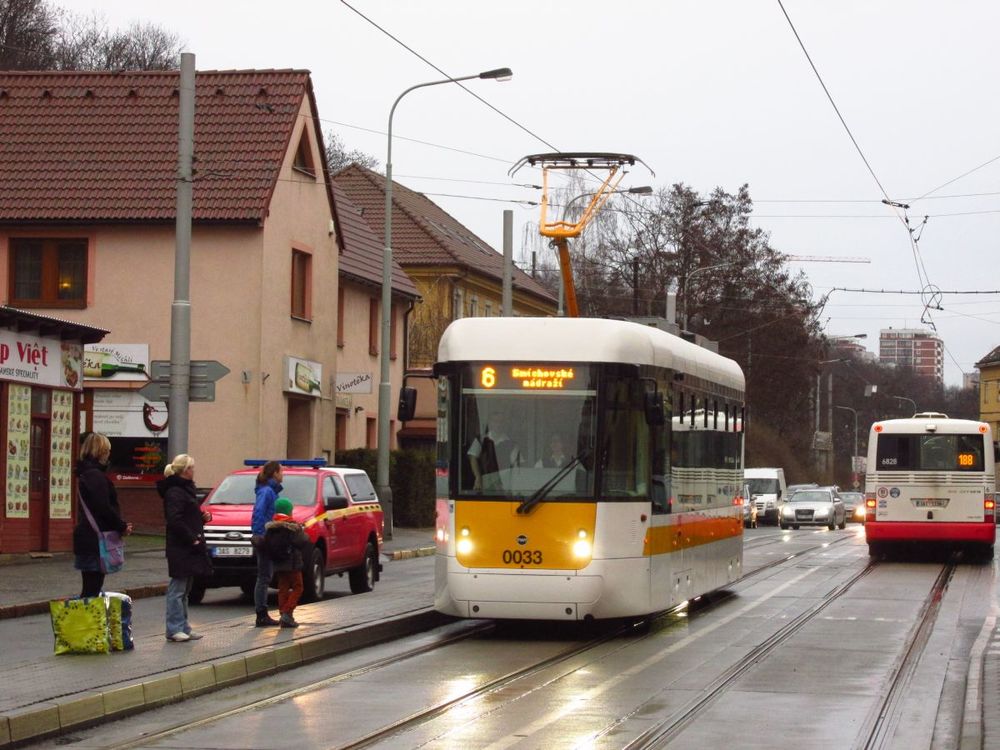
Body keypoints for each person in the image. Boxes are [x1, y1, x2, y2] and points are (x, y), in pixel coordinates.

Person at [158, 454, 212, 642]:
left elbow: (187, 515)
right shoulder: (175, 492)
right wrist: (191, 538)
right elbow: (175, 520)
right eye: (191, 468)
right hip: (181, 546)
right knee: (178, 588)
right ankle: (174, 628)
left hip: (190, 545)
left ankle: (184, 626)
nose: (193, 471)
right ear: (184, 470)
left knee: (186, 588)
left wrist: (201, 518)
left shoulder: (186, 490)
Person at [73, 432, 133, 597]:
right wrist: (121, 526)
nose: (108, 454)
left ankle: (88, 621)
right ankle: (86, 622)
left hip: (88, 537)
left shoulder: (86, 473)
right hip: (95, 540)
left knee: (90, 588)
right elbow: (103, 508)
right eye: (107, 450)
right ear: (100, 451)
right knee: (92, 589)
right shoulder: (95, 476)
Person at [262, 497, 311, 628]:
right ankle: (287, 613)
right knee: (298, 587)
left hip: (278, 563)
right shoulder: (292, 526)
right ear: (289, 511)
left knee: (283, 588)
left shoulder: (271, 527)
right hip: (293, 563)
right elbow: (302, 541)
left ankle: (283, 613)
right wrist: (303, 531)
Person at [251, 461, 283, 627]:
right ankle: (261, 614)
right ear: (275, 473)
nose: (283, 474)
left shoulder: (269, 491)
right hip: (265, 537)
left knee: (266, 575)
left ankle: (262, 613)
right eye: (281, 471)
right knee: (264, 576)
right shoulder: (267, 492)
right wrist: (259, 534)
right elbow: (259, 512)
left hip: (267, 536)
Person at [468, 411, 521, 490]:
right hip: (484, 483)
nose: (498, 424)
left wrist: (514, 485)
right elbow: (473, 457)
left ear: (504, 424)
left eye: (501, 422)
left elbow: (515, 467)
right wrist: (478, 477)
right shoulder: (480, 440)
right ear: (490, 423)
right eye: (495, 421)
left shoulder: (511, 444)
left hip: (504, 485)